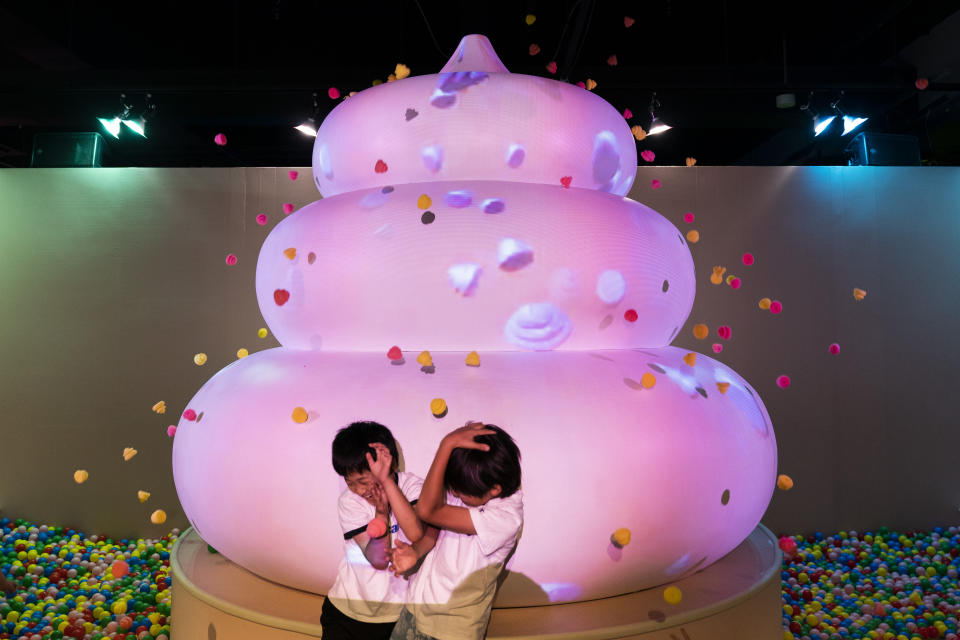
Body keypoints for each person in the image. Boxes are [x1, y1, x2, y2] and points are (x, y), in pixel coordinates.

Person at [389, 422, 523, 640]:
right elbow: (435, 529)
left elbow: (428, 511)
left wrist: (447, 444)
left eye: (460, 492)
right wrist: (416, 550)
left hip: (450, 630)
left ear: (494, 489)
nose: (453, 493)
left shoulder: (506, 518)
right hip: (416, 608)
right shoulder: (471, 484)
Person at [322, 421, 432, 640]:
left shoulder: (412, 487)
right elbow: (378, 560)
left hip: (396, 616)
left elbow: (416, 534)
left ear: (387, 465)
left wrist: (387, 484)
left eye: (363, 481)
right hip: (346, 610)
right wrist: (381, 515)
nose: (358, 490)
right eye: (349, 482)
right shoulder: (350, 501)